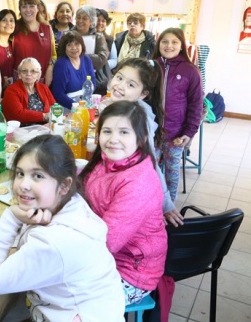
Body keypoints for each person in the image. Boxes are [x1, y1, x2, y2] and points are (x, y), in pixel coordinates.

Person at [0, 134, 125, 321]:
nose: (23, 185)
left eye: (37, 176)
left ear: (64, 185)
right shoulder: (71, 203)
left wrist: (12, 216)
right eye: (20, 173)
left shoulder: (55, 242)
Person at [80, 101, 168, 305]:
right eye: (107, 131)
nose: (113, 140)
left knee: (54, 291)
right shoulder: (106, 161)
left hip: (130, 273)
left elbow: (107, 242)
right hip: (104, 255)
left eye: (124, 132)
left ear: (141, 138)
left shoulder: (138, 183)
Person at [105, 58, 184, 226]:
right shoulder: (122, 106)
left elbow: (151, 162)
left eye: (131, 85)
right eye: (119, 78)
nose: (119, 86)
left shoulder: (140, 118)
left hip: (131, 189)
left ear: (143, 94)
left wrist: (166, 204)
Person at [153, 28, 204, 201]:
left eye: (174, 42)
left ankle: (168, 210)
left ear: (182, 45)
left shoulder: (191, 70)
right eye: (165, 41)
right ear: (158, 44)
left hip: (176, 134)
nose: (169, 46)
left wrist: (189, 133)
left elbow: (196, 105)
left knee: (172, 171)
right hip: (150, 131)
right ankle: (150, 205)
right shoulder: (150, 66)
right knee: (149, 170)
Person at [12, 0, 56, 86]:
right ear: (20, 9)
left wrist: (50, 68)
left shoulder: (47, 28)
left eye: (31, 6)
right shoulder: (14, 27)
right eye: (24, 6)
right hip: (20, 81)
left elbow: (53, 54)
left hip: (43, 80)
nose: (28, 10)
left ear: (37, 8)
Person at [50, 31, 96, 110]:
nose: (74, 48)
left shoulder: (86, 59)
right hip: (68, 106)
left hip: (86, 102)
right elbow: (58, 94)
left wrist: (85, 100)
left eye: (77, 44)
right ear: (64, 48)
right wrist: (76, 106)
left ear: (82, 45)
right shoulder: (61, 64)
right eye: (69, 45)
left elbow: (93, 82)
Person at [2, 58, 56, 126]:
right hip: (21, 130)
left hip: (45, 128)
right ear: (19, 74)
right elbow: (18, 114)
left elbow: (54, 106)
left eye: (33, 71)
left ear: (38, 75)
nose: (28, 74)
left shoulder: (44, 88)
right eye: (24, 71)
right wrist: (44, 116)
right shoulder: (11, 91)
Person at [72, 5, 110, 95]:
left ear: (91, 21)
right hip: (72, 76)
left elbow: (102, 58)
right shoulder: (68, 35)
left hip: (93, 78)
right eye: (78, 17)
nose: (80, 21)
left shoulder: (98, 36)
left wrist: (78, 56)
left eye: (84, 18)